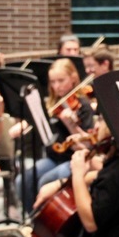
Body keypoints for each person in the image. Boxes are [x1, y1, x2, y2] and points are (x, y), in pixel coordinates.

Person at [14, 58, 94, 212]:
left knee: (45, 181)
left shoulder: (83, 105)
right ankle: (33, 217)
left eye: (61, 80)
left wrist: (71, 124)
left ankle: (47, 220)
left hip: (73, 160)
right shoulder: (51, 104)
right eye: (53, 82)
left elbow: (88, 145)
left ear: (73, 78)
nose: (57, 86)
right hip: (53, 158)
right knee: (22, 180)